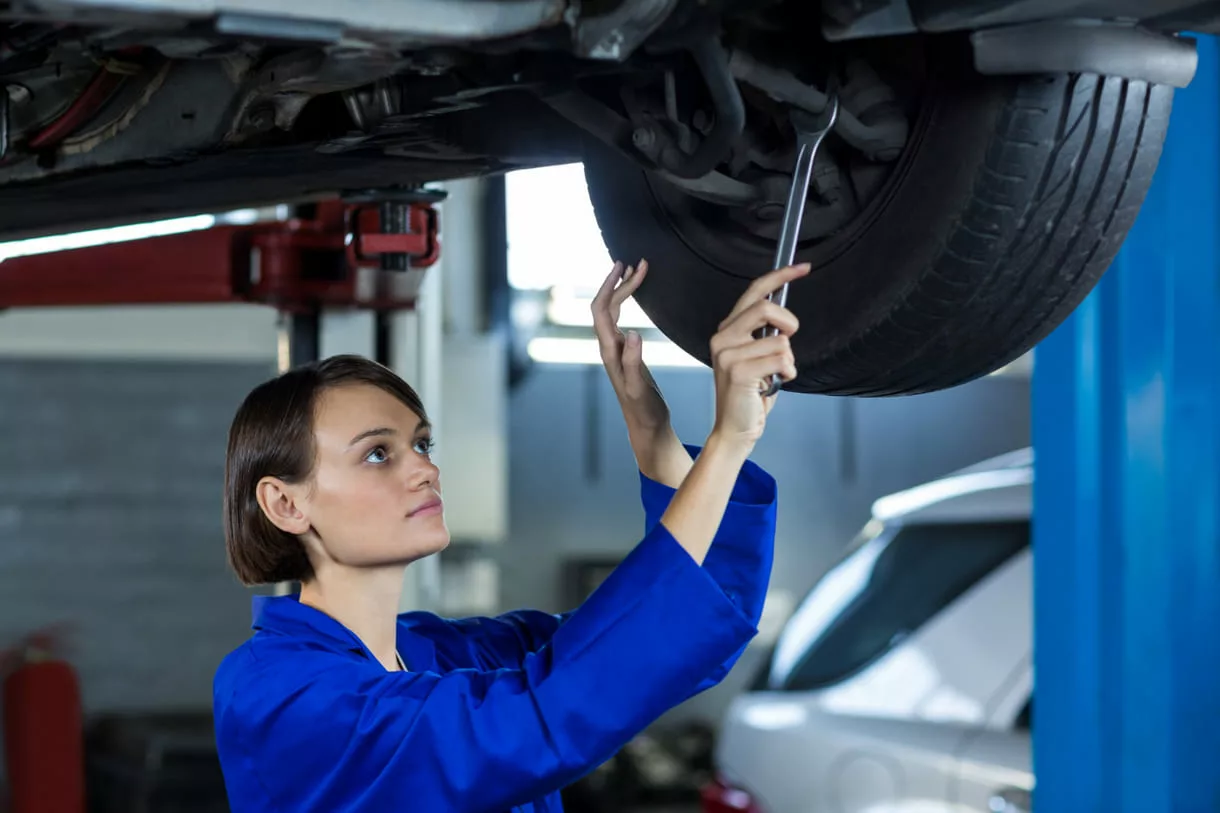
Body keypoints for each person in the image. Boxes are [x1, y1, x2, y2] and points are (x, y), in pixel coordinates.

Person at [212, 259, 810, 813]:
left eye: (421, 443)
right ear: (286, 504)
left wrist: (652, 434)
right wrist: (727, 443)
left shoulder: (447, 655)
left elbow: (676, 635)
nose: (425, 468)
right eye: (376, 454)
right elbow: (549, 710)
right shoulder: (277, 694)